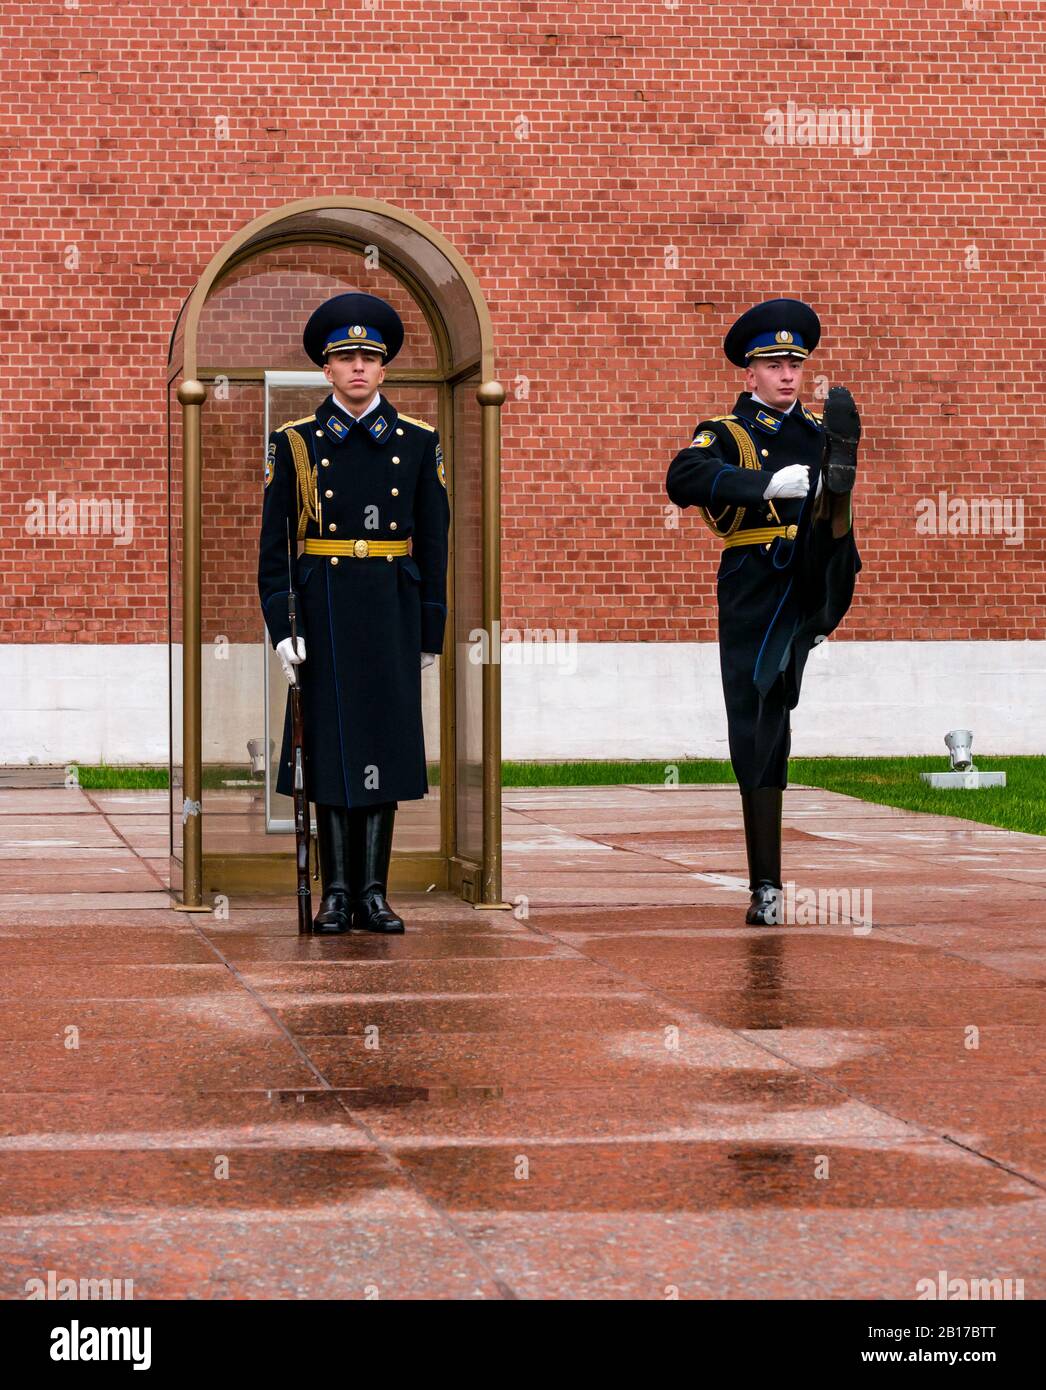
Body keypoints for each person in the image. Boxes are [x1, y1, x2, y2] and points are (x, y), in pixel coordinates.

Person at [258, 292, 450, 934]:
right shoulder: (296, 445)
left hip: (391, 606)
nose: (359, 368)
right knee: (332, 744)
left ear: (385, 367)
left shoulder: (419, 443)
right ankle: (336, 891)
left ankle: (374, 891)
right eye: (346, 358)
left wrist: (430, 629)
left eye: (370, 357)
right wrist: (283, 626)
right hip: (325, 607)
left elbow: (436, 540)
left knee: (385, 744)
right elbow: (274, 548)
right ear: (326, 369)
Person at [665, 298, 861, 924]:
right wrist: (764, 486)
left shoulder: (819, 433)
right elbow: (684, 477)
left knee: (775, 710)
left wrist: (833, 582)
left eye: (793, 364)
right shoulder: (727, 431)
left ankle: (769, 881)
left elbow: (841, 516)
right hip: (753, 582)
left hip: (806, 580)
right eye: (772, 364)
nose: (785, 375)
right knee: (757, 716)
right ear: (748, 373)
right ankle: (766, 886)